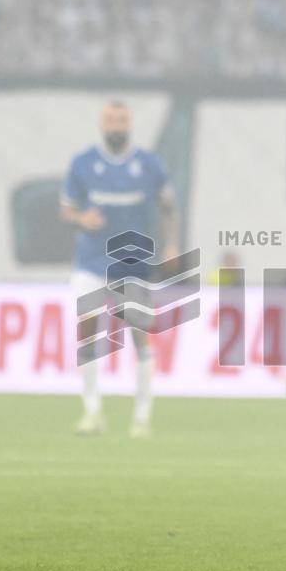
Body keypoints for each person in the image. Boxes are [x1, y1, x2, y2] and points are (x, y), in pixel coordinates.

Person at [60, 101, 179, 438]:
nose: (116, 125)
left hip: (134, 263)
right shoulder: (83, 164)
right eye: (111, 119)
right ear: (102, 124)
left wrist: (171, 244)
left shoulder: (149, 165)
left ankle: (141, 418)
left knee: (139, 337)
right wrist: (82, 218)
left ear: (130, 124)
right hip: (91, 261)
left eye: (122, 120)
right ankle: (92, 413)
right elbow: (67, 209)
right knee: (87, 330)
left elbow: (169, 207)